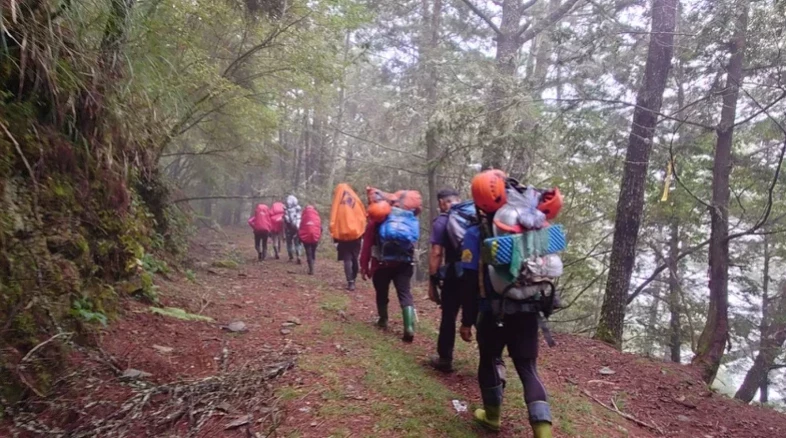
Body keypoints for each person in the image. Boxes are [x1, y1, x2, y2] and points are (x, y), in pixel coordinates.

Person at [462, 170, 553, 438]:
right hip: (529, 310)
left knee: (489, 359)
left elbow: (469, 282)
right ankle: (543, 433)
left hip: (493, 312)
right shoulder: (530, 225)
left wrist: (467, 321)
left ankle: (492, 418)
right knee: (528, 368)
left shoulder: (476, 233)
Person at [359, 216, 416, 343]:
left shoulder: (375, 223)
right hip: (404, 263)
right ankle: (409, 327)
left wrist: (364, 266)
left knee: (381, 292)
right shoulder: (404, 220)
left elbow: (367, 246)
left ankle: (383, 320)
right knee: (405, 293)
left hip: (381, 264)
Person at [427, 189, 464, 372]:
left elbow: (436, 252)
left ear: (442, 203)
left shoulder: (442, 221)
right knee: (482, 318)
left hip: (455, 275)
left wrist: (433, 281)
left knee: (449, 316)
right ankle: (495, 363)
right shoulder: (475, 218)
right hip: (478, 274)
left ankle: (445, 358)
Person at [298, 205, 322, 275]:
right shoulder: (316, 216)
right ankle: (313, 263)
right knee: (313, 251)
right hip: (315, 236)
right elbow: (320, 227)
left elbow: (300, 227)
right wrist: (319, 236)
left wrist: (300, 237)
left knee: (308, 252)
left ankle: (311, 268)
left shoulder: (304, 216)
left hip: (306, 237)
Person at [284, 195, 302, 264]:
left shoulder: (286, 209)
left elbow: (286, 220)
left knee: (289, 243)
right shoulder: (298, 209)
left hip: (288, 229)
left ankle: (291, 257)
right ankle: (298, 255)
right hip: (297, 229)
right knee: (297, 243)